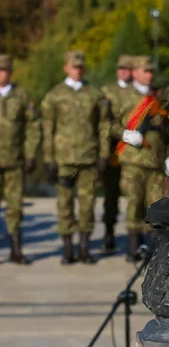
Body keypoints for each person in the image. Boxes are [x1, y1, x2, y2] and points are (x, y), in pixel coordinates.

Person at [41, 50, 110, 265]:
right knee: (64, 204)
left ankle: (84, 248)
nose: (77, 70)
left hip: (88, 157)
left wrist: (104, 153)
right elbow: (47, 128)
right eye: (74, 67)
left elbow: (104, 125)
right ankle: (68, 247)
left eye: (80, 67)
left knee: (88, 204)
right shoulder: (54, 95)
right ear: (66, 68)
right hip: (63, 158)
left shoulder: (95, 94)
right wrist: (48, 157)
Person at [114, 56, 169, 262]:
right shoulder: (123, 97)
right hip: (133, 160)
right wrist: (124, 134)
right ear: (134, 73)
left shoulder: (159, 100)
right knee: (134, 202)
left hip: (156, 162)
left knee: (156, 205)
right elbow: (107, 124)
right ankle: (133, 246)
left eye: (151, 72)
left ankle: (152, 247)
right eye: (145, 71)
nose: (149, 75)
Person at [0, 54, 41, 264]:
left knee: (15, 206)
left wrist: (31, 154)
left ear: (10, 72)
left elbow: (34, 126)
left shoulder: (21, 96)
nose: (1, 74)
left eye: (4, 70)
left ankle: (16, 250)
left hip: (14, 159)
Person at [99, 54, 133, 253]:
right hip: (114, 152)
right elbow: (104, 122)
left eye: (128, 69)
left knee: (136, 196)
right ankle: (109, 233)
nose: (124, 72)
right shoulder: (107, 91)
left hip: (135, 153)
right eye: (121, 68)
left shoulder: (139, 91)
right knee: (110, 196)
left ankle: (135, 238)